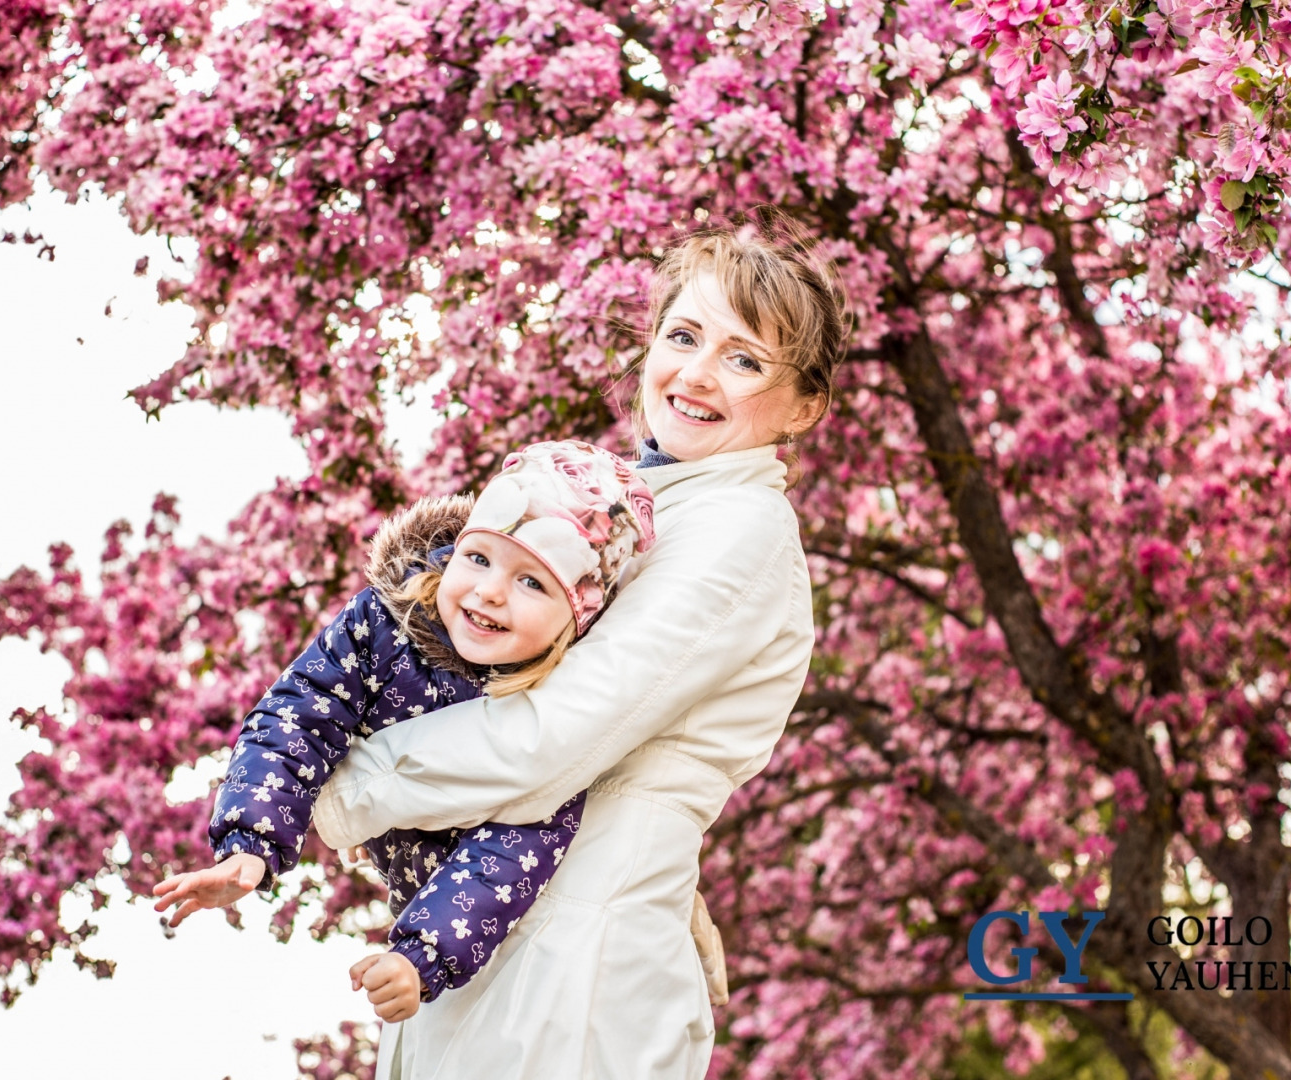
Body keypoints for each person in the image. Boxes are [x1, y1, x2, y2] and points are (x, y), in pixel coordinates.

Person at [312, 213, 846, 1079]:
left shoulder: (740, 528)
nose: (698, 375)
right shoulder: (649, 509)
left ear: (805, 407)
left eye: (745, 359)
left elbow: (558, 734)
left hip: (570, 975)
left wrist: (327, 798)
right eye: (684, 336)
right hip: (507, 937)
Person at [151, 441, 656, 1022]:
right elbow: (296, 717)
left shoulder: (557, 707)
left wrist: (423, 955)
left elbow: (517, 843)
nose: (490, 591)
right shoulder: (383, 627)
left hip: (512, 935)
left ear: (577, 616)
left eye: (534, 583)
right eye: (480, 558)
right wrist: (250, 844)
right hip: (419, 907)